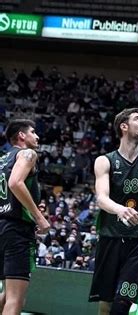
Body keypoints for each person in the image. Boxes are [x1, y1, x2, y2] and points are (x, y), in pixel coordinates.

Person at [88, 108, 138, 315]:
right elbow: (102, 198)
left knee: (123, 302)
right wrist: (120, 210)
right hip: (109, 237)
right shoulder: (104, 161)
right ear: (124, 126)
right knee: (105, 304)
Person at [0, 119, 50, 314]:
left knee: (6, 294)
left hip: (2, 227)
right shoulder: (28, 153)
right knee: (16, 299)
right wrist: (39, 217)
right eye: (33, 132)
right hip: (16, 230)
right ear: (22, 135)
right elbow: (15, 183)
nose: (37, 136)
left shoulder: (2, 159)